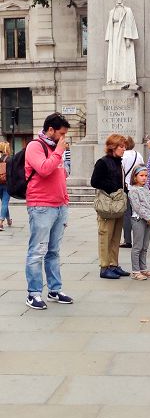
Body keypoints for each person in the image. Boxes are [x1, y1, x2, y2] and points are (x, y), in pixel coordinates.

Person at [25, 113, 73, 310]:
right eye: (61, 134)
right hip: (41, 205)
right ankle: (33, 293)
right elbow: (44, 169)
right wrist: (58, 151)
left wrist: (65, 202)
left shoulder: (57, 149)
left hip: (59, 205)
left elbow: (62, 176)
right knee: (37, 251)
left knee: (53, 251)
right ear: (50, 130)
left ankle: (54, 289)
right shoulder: (35, 146)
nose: (64, 138)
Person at [91, 134, 131, 280]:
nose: (123, 149)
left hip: (118, 205)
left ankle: (114, 265)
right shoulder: (103, 162)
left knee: (115, 237)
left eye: (124, 146)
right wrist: (114, 188)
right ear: (112, 147)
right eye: (121, 146)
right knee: (105, 236)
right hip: (107, 204)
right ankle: (104, 267)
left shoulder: (118, 162)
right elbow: (95, 181)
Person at [128, 165, 150, 280]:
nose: (144, 178)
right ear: (135, 177)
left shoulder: (146, 189)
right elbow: (138, 207)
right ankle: (136, 271)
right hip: (138, 220)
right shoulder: (133, 191)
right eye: (141, 176)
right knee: (137, 246)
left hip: (149, 220)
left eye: (146, 176)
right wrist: (148, 217)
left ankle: (143, 268)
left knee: (145, 246)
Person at [105, 0, 139, 85]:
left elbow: (129, 24)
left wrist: (128, 38)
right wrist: (109, 38)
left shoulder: (128, 10)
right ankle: (114, 78)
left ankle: (125, 78)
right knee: (115, 57)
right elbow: (109, 25)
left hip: (123, 34)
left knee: (124, 56)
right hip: (114, 35)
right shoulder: (112, 11)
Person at [121, 135, 144, 248]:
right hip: (137, 187)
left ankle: (127, 240)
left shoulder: (123, 156)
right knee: (138, 213)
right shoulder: (138, 154)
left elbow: (122, 171)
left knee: (127, 214)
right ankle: (139, 238)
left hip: (126, 188)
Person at [0, 141, 12, 231]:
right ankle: (0, 222)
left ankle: (8, 220)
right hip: (7, 184)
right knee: (5, 202)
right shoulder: (9, 159)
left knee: (4, 203)